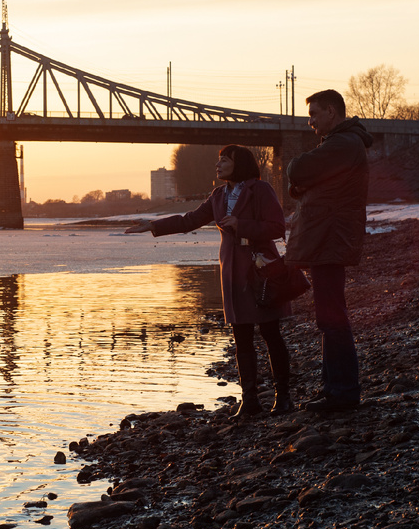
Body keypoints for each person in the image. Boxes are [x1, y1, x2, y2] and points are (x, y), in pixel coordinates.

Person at [126, 145, 294, 417]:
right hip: (232, 272)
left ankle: (283, 398)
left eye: (224, 160)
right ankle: (249, 401)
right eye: (218, 160)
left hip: (260, 269)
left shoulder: (260, 190)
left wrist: (243, 225)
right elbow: (189, 220)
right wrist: (154, 225)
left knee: (270, 334)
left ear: (238, 164)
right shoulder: (218, 195)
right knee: (241, 338)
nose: (218, 165)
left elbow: (277, 227)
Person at [285, 89, 373, 413]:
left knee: (333, 318)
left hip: (331, 239)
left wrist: (298, 172)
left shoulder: (342, 144)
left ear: (332, 113)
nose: (310, 122)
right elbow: (303, 184)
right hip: (328, 238)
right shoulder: (340, 144)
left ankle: (343, 392)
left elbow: (297, 171)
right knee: (329, 317)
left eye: (314, 115)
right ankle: (333, 388)